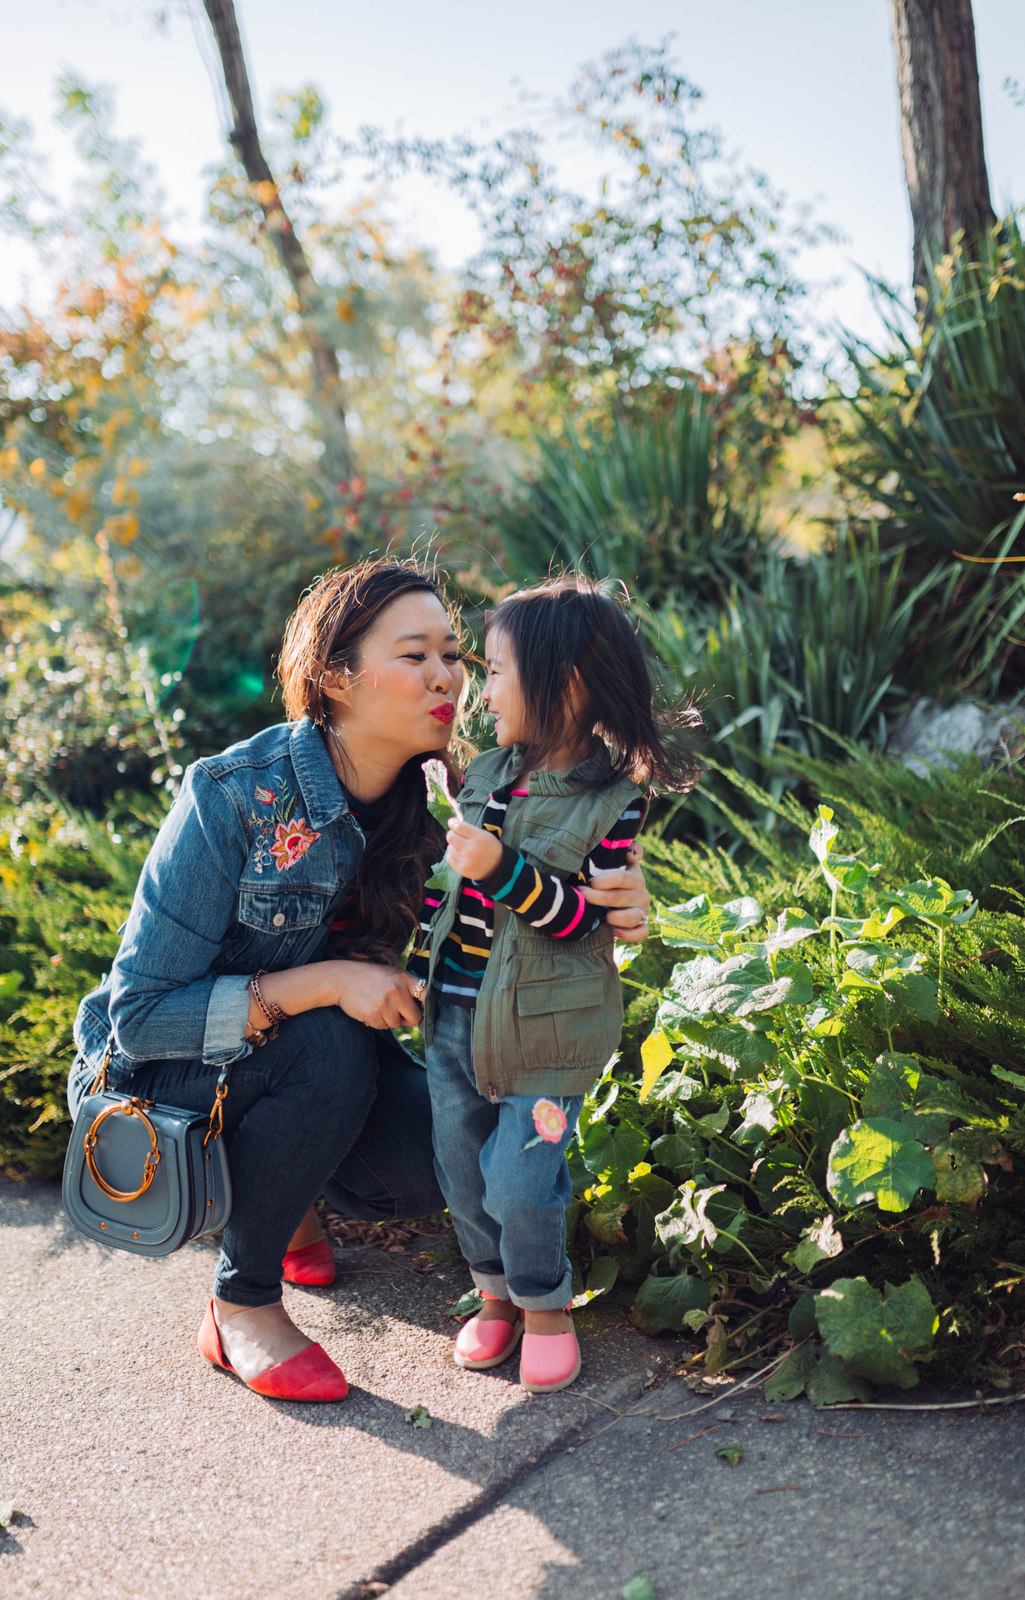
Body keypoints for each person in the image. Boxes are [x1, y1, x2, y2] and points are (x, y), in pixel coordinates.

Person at [69, 560, 652, 1403]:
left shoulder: (451, 798)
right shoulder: (232, 796)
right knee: (331, 1042)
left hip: (297, 1061)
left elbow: (552, 877)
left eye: (455, 654)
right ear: (336, 676)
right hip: (166, 1070)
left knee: (438, 1161)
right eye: (414, 655)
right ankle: (242, 1305)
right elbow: (139, 1019)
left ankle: (281, 1197)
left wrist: (627, 903)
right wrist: (326, 981)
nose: (448, 675)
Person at [409, 577, 699, 1395]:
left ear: (564, 682)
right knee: (461, 1166)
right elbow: (443, 886)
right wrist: (411, 968)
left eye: (496, 671)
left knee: (521, 1176)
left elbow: (582, 924)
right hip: (455, 1016)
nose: (481, 688)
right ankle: (493, 1293)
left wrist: (500, 869)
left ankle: (543, 1304)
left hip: (545, 1034)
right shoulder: (490, 772)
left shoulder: (612, 804)